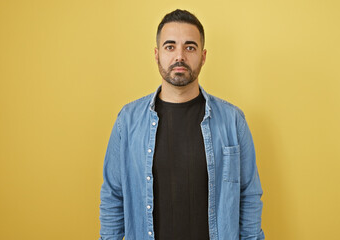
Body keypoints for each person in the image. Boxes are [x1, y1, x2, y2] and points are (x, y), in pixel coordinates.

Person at [99, 9, 264, 240]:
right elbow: (113, 196)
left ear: (203, 56)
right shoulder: (127, 122)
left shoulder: (233, 121)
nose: (180, 56)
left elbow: (248, 195)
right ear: (157, 54)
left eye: (190, 47)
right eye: (170, 46)